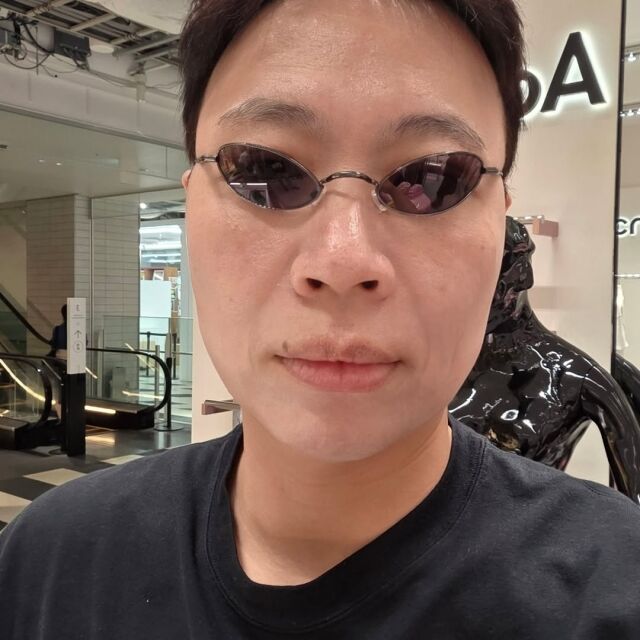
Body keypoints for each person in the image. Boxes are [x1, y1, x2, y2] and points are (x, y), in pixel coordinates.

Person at [1, 1, 639, 638]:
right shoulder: (50, 562)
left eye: (434, 178)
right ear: (191, 206)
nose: (342, 260)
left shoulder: (615, 589)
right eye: (266, 170)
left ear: (501, 222)